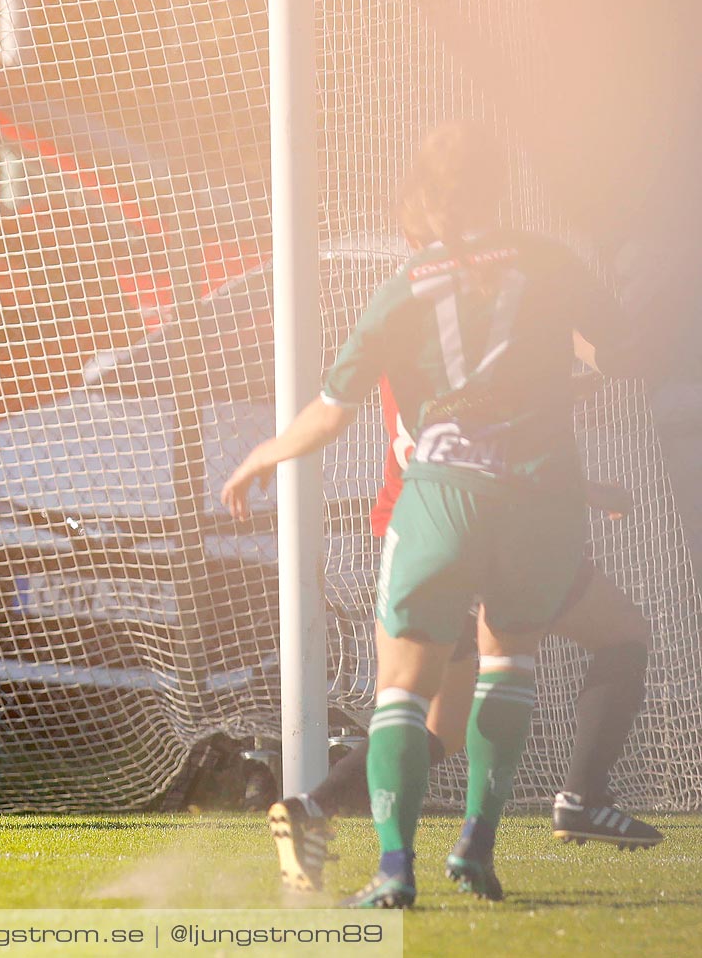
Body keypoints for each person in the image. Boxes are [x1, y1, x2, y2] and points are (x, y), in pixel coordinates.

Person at [222, 122, 644, 908]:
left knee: (407, 699)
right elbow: (600, 363)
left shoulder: (406, 291)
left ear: (417, 205)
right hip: (529, 505)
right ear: (503, 185)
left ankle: (388, 862)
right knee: (505, 675)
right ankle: (487, 840)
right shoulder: (547, 266)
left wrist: (262, 455)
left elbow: (348, 414)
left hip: (434, 513)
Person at [267, 381, 663, 897]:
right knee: (613, 633)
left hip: (408, 530)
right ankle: (568, 802)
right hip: (478, 516)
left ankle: (315, 810)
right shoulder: (469, 330)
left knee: (437, 724)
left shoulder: (414, 324)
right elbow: (480, 425)